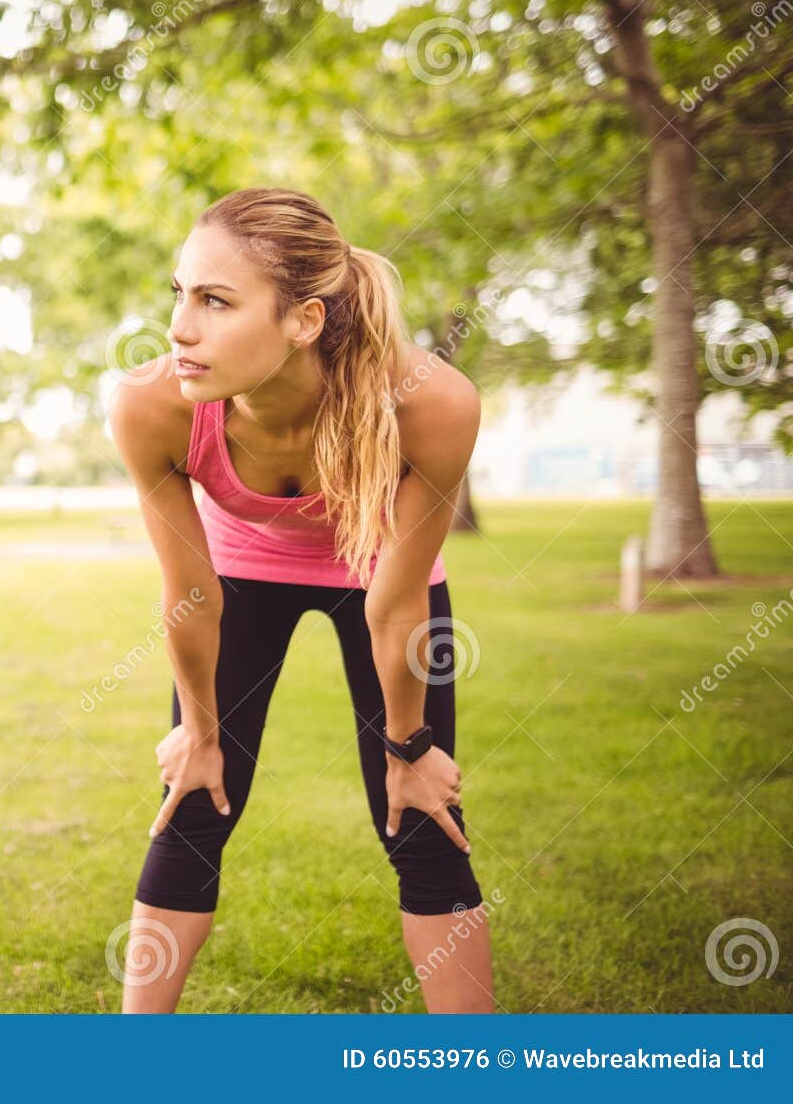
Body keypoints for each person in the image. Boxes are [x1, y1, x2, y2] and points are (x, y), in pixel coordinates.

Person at [106, 186, 495, 1013]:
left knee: (424, 816)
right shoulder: (149, 405)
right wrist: (199, 733)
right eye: (179, 293)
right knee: (191, 803)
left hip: (380, 572)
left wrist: (410, 746)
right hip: (242, 570)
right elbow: (190, 593)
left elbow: (394, 604)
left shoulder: (431, 403)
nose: (179, 327)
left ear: (304, 320)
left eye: (215, 301)